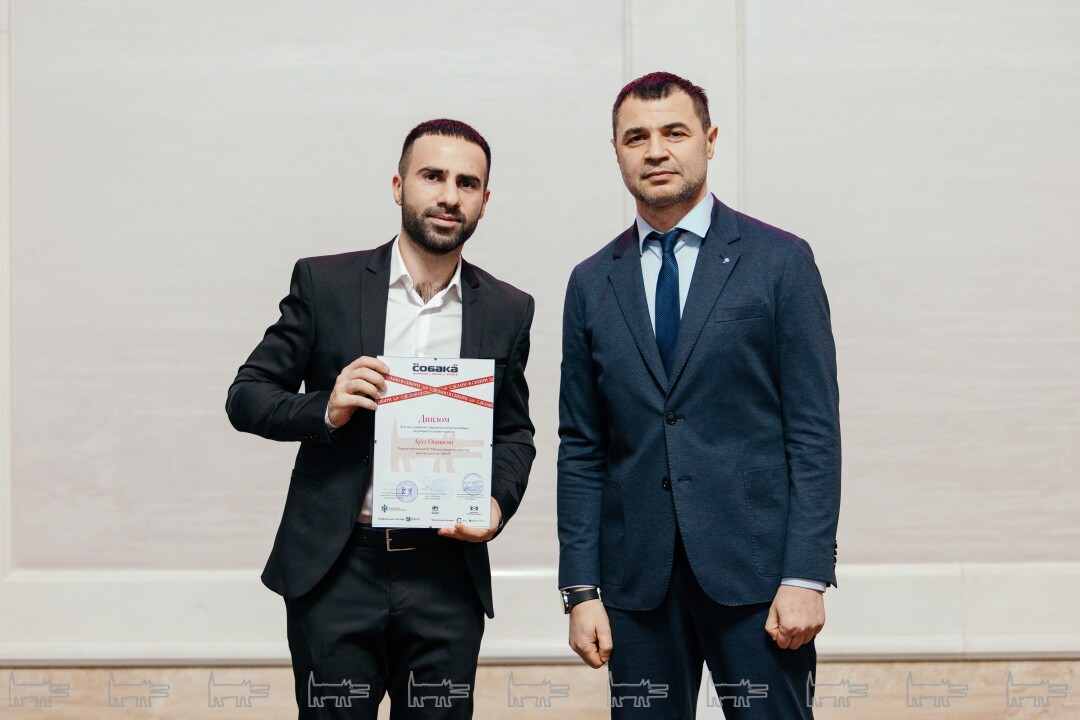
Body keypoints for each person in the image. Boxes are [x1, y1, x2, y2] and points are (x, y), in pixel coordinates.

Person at [227, 119, 535, 719]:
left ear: (484, 201)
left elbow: (513, 433)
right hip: (338, 569)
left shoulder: (507, 308)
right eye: (432, 176)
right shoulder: (327, 283)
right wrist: (327, 407)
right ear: (398, 186)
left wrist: (497, 503)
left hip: (446, 574)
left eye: (467, 183)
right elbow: (246, 396)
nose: (449, 195)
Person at [557, 72, 840, 719]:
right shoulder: (591, 281)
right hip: (636, 588)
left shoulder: (780, 262)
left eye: (674, 133)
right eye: (637, 137)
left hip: (758, 581)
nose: (656, 151)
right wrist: (580, 589)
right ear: (616, 151)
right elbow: (582, 447)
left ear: (709, 141)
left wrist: (805, 575)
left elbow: (814, 432)